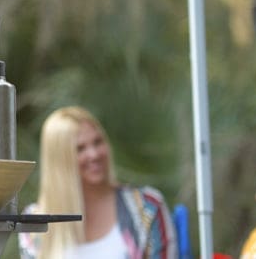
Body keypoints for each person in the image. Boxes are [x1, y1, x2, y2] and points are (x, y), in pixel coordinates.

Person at [19, 106, 178, 259]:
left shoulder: (146, 207)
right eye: (80, 148)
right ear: (59, 161)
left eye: (98, 142)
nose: (94, 154)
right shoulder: (34, 225)